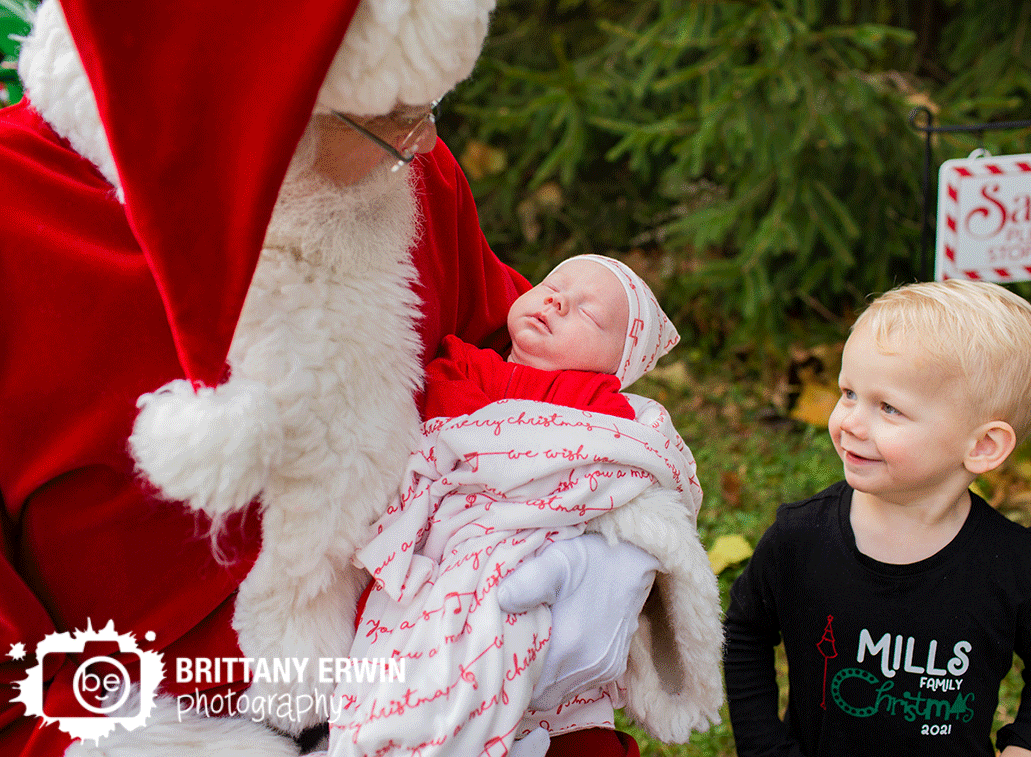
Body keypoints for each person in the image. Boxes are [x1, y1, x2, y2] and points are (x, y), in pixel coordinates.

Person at [0, 2, 722, 756]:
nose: (425, 143)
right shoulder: (20, 218)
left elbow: (517, 368)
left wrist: (592, 533)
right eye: (395, 117)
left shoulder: (402, 173)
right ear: (260, 105)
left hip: (440, 681)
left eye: (428, 106)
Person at [330, 254, 708, 756]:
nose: (557, 301)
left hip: (536, 562)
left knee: (567, 716)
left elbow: (630, 463)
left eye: (589, 315)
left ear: (618, 364)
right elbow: (433, 439)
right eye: (554, 285)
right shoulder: (463, 362)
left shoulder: (603, 408)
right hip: (446, 553)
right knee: (403, 658)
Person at [723, 280, 1031, 757]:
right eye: (849, 392)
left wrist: (1030, 748)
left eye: (889, 407)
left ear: (982, 446)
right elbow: (744, 633)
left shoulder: (1015, 565)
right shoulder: (800, 538)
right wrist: (764, 746)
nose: (849, 422)